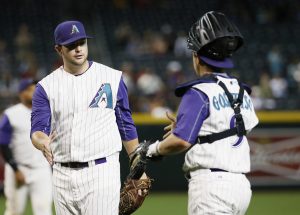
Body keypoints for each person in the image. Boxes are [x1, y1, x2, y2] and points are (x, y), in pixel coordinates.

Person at [145, 11, 259, 215]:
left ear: (196, 57)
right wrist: (197, 129)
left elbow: (181, 141)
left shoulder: (199, 92)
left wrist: (151, 150)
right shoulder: (242, 91)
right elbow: (235, 129)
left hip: (211, 187)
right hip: (241, 187)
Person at [30, 20, 141, 215]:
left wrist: (138, 165)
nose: (78, 49)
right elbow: (38, 129)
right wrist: (41, 140)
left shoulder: (111, 78)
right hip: (62, 174)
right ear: (59, 49)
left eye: (82, 42)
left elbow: (125, 124)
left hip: (101, 171)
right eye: (71, 45)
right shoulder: (45, 87)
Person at [0, 79, 52, 215]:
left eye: (36, 89)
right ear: (21, 94)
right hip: (18, 168)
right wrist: (15, 169)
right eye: (30, 89)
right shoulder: (11, 114)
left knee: (44, 211)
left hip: (42, 169)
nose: (34, 92)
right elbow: (3, 144)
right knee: (14, 211)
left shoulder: (47, 111)